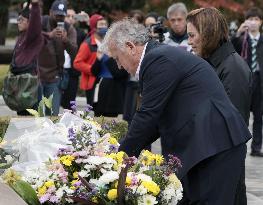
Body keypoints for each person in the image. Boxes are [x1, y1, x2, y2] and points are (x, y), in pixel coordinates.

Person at [100, 18, 251, 205]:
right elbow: (153, 122)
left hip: (214, 145)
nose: (119, 66)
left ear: (130, 46)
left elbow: (148, 115)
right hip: (206, 145)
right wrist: (124, 151)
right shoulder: (158, 57)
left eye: (116, 58)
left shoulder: (157, 59)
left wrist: (117, 157)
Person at [186, 7, 252, 205]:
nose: (189, 41)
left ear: (208, 33)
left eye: (192, 35)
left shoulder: (232, 67)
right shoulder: (211, 63)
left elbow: (232, 126)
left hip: (224, 169)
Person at [232, 7, 263, 157]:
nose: (253, 22)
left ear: (261, 22)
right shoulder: (241, 39)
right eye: (250, 19)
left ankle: (256, 148)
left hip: (260, 80)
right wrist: (238, 32)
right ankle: (239, 144)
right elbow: (230, 49)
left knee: (259, 116)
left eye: (256, 19)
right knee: (241, 114)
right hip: (245, 80)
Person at [38, 0, 77, 116]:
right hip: (37, 75)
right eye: (57, 15)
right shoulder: (41, 22)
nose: (60, 18)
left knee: (53, 115)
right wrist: (49, 35)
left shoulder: (69, 28)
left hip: (54, 77)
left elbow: (75, 52)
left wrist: (66, 41)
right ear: (50, 12)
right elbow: (30, 38)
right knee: (37, 115)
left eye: (62, 16)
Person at [12, 0, 43, 115]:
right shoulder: (20, 38)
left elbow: (36, 23)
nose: (18, 22)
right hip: (21, 85)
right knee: (21, 120)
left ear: (29, 23)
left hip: (31, 86)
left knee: (31, 123)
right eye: (18, 19)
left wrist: (34, 5)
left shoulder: (32, 38)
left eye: (22, 20)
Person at [60, 7, 88, 110]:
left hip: (72, 72)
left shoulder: (80, 33)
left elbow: (91, 39)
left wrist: (87, 22)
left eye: (73, 16)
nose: (70, 18)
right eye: (68, 16)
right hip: (57, 71)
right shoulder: (56, 30)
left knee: (70, 104)